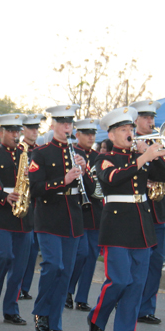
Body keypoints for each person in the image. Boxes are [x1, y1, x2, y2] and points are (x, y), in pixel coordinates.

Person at [87, 106, 165, 331]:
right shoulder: (105, 158)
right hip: (116, 227)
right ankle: (97, 317)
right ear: (111, 135)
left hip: (141, 226)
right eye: (123, 129)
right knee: (119, 280)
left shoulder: (140, 157)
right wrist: (143, 158)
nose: (129, 133)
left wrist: (154, 155)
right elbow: (113, 178)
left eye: (130, 129)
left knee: (136, 286)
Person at [28, 105, 88, 331]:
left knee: (66, 272)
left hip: (72, 217)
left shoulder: (78, 153)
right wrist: (63, 180)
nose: (66, 127)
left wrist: (85, 171)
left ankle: (55, 319)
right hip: (49, 216)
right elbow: (35, 188)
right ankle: (41, 312)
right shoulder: (41, 153)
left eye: (69, 123)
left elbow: (92, 189)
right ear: (53, 125)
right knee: (53, 265)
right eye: (62, 123)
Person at [0, 114, 33, 325]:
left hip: (24, 216)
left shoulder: (27, 154)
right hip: (1, 214)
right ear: (1, 131)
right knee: (3, 256)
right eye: (11, 131)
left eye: (17, 131)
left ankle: (11, 308)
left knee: (20, 265)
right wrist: (4, 196)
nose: (15, 135)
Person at [132, 100, 165, 324]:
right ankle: (130, 303)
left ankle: (146, 308)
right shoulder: (129, 143)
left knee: (155, 263)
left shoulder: (159, 143)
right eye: (146, 118)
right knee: (137, 263)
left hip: (158, 211)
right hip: (137, 211)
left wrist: (160, 156)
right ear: (136, 120)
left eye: (152, 118)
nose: (150, 122)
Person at [66, 117, 101, 312]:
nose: (90, 137)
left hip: (95, 212)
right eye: (86, 134)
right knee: (80, 254)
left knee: (91, 257)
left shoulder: (99, 157)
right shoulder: (71, 153)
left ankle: (82, 297)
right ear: (77, 135)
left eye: (93, 134)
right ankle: (68, 290)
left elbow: (100, 185)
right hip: (77, 210)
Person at [18, 113, 44, 300]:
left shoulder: (41, 151)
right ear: (23, 130)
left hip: (38, 204)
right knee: (22, 248)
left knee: (33, 249)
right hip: (21, 202)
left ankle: (24, 287)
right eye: (31, 128)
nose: (35, 132)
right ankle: (17, 285)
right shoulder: (18, 150)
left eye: (36, 129)